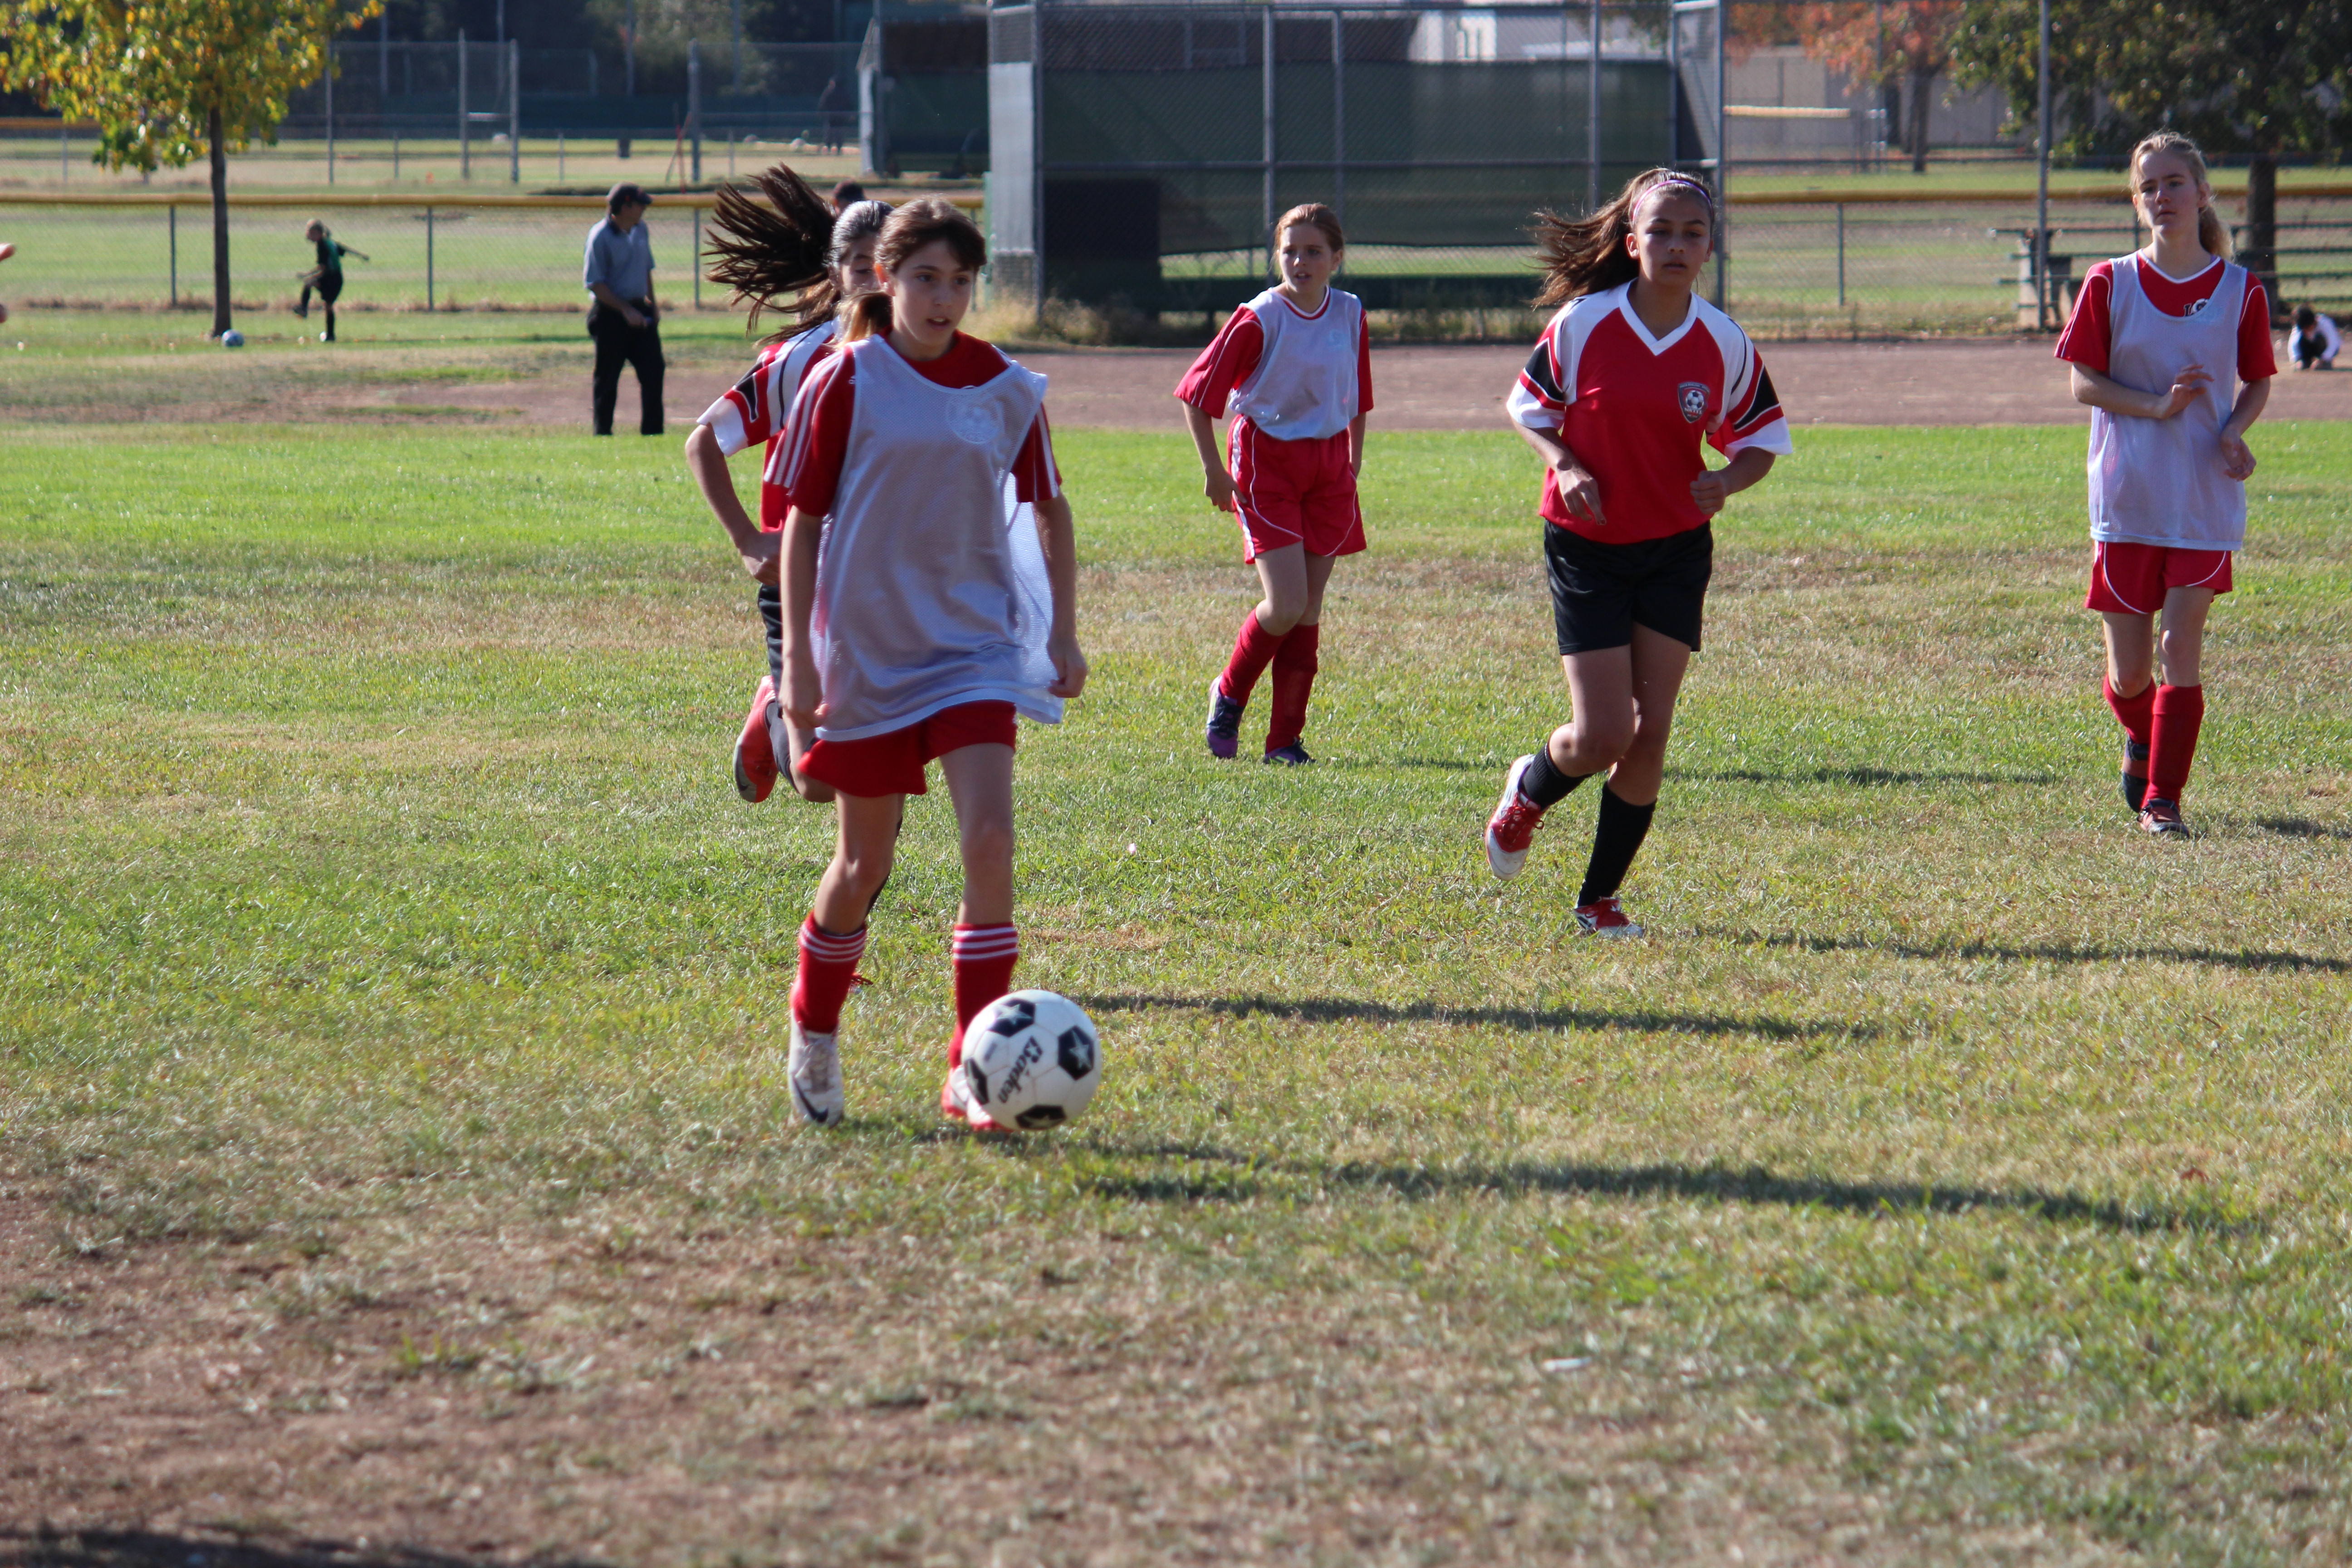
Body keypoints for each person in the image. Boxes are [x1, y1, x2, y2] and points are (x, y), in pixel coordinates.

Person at [763, 199, 1085, 1130]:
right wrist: (799, 668)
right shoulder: (846, 379)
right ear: (884, 280)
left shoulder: (1005, 385)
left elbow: (1052, 509)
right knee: (863, 863)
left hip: (973, 648)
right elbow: (802, 525)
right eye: (925, 279)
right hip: (869, 652)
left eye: (960, 281)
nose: (944, 298)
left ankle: (972, 1071)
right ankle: (814, 1030)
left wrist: (1063, 634)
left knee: (989, 841)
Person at [1482, 169, 1790, 936]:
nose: (1676, 245)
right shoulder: (1585, 323)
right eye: (1660, 231)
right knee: (1602, 736)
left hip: (1674, 550)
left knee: (1649, 732)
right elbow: (1527, 409)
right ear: (1631, 243)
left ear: (1710, 247)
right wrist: (1564, 463)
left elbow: (1760, 441)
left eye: (1692, 233)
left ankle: (1598, 901)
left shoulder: (1723, 341)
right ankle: (1527, 792)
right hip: (1587, 546)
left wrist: (1726, 481)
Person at [2055, 130, 2273, 838]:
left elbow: (2257, 381)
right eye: (2148, 186)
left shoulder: (2240, 290)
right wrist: (2156, 406)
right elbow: (2083, 382)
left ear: (2203, 193)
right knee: (2128, 677)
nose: (2161, 197)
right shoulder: (2109, 282)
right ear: (2136, 201)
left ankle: (2163, 802)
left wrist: (2233, 430)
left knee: (2180, 649)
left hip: (2204, 500)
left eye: (2174, 183)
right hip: (2128, 498)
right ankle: (2144, 735)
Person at [687, 164, 891, 804]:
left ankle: (864, 863)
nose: (877, 281)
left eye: (890, 265)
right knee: (817, 780)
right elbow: (702, 443)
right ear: (837, 274)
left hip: (885, 582)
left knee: (879, 754)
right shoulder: (801, 361)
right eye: (861, 266)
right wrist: (748, 540)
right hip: (798, 581)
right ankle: (773, 703)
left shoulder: (931, 359)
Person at [1176, 202, 1371, 765]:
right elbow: (1197, 395)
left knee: (1309, 610)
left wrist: (1353, 462)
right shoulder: (1260, 316)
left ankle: (1284, 741)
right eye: (1290, 251)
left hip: (1329, 465)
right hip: (1267, 460)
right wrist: (1214, 471)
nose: (1301, 262)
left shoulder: (1350, 312)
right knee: (1285, 603)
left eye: (1314, 252)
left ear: (1337, 258)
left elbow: (1358, 394)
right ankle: (1229, 691)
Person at [583, 182, 664, 436]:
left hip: (641, 310)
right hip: (610, 314)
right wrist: (625, 310)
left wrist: (653, 303)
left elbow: (646, 269)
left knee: (654, 371)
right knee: (607, 377)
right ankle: (603, 433)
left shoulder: (641, 230)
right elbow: (595, 284)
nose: (644, 209)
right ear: (625, 206)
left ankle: (653, 432)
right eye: (640, 205)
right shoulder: (600, 236)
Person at [2287, 304, 2339, 370]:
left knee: (2320, 339)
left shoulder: (2325, 323)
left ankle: (2326, 363)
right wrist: (2297, 360)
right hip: (2310, 349)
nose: (2306, 331)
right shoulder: (2299, 327)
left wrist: (2323, 359)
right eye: (2304, 330)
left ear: (2314, 321)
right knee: (2301, 339)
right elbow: (2293, 343)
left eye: (2308, 328)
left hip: (2323, 348)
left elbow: (2334, 344)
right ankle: (2306, 362)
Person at [817, 79, 847, 156]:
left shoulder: (841, 93)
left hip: (839, 117)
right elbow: (823, 104)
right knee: (829, 133)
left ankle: (839, 148)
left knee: (839, 133)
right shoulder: (828, 92)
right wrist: (822, 112)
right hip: (830, 117)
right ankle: (828, 147)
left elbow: (847, 103)